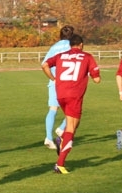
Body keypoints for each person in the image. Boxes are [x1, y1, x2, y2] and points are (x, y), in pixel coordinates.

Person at [41, 34, 101, 174]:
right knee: (71, 128)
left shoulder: (61, 55)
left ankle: (62, 140)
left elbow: (44, 65)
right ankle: (60, 163)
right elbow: (97, 80)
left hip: (60, 94)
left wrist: (53, 78)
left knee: (73, 123)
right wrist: (93, 75)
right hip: (74, 95)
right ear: (80, 45)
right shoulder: (87, 57)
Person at [41, 25, 75, 150]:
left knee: (53, 109)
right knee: (72, 110)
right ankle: (61, 129)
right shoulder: (72, 47)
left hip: (55, 83)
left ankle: (48, 138)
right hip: (69, 83)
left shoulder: (54, 47)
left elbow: (44, 64)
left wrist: (53, 79)